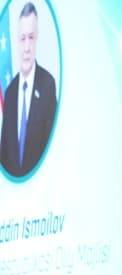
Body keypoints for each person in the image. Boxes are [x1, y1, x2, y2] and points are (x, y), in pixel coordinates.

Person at [1, 3, 58, 178]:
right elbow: (4, 155)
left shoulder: (48, 86)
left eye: (31, 38)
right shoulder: (10, 93)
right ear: (17, 41)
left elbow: (54, 152)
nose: (26, 47)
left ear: (37, 38)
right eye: (22, 38)